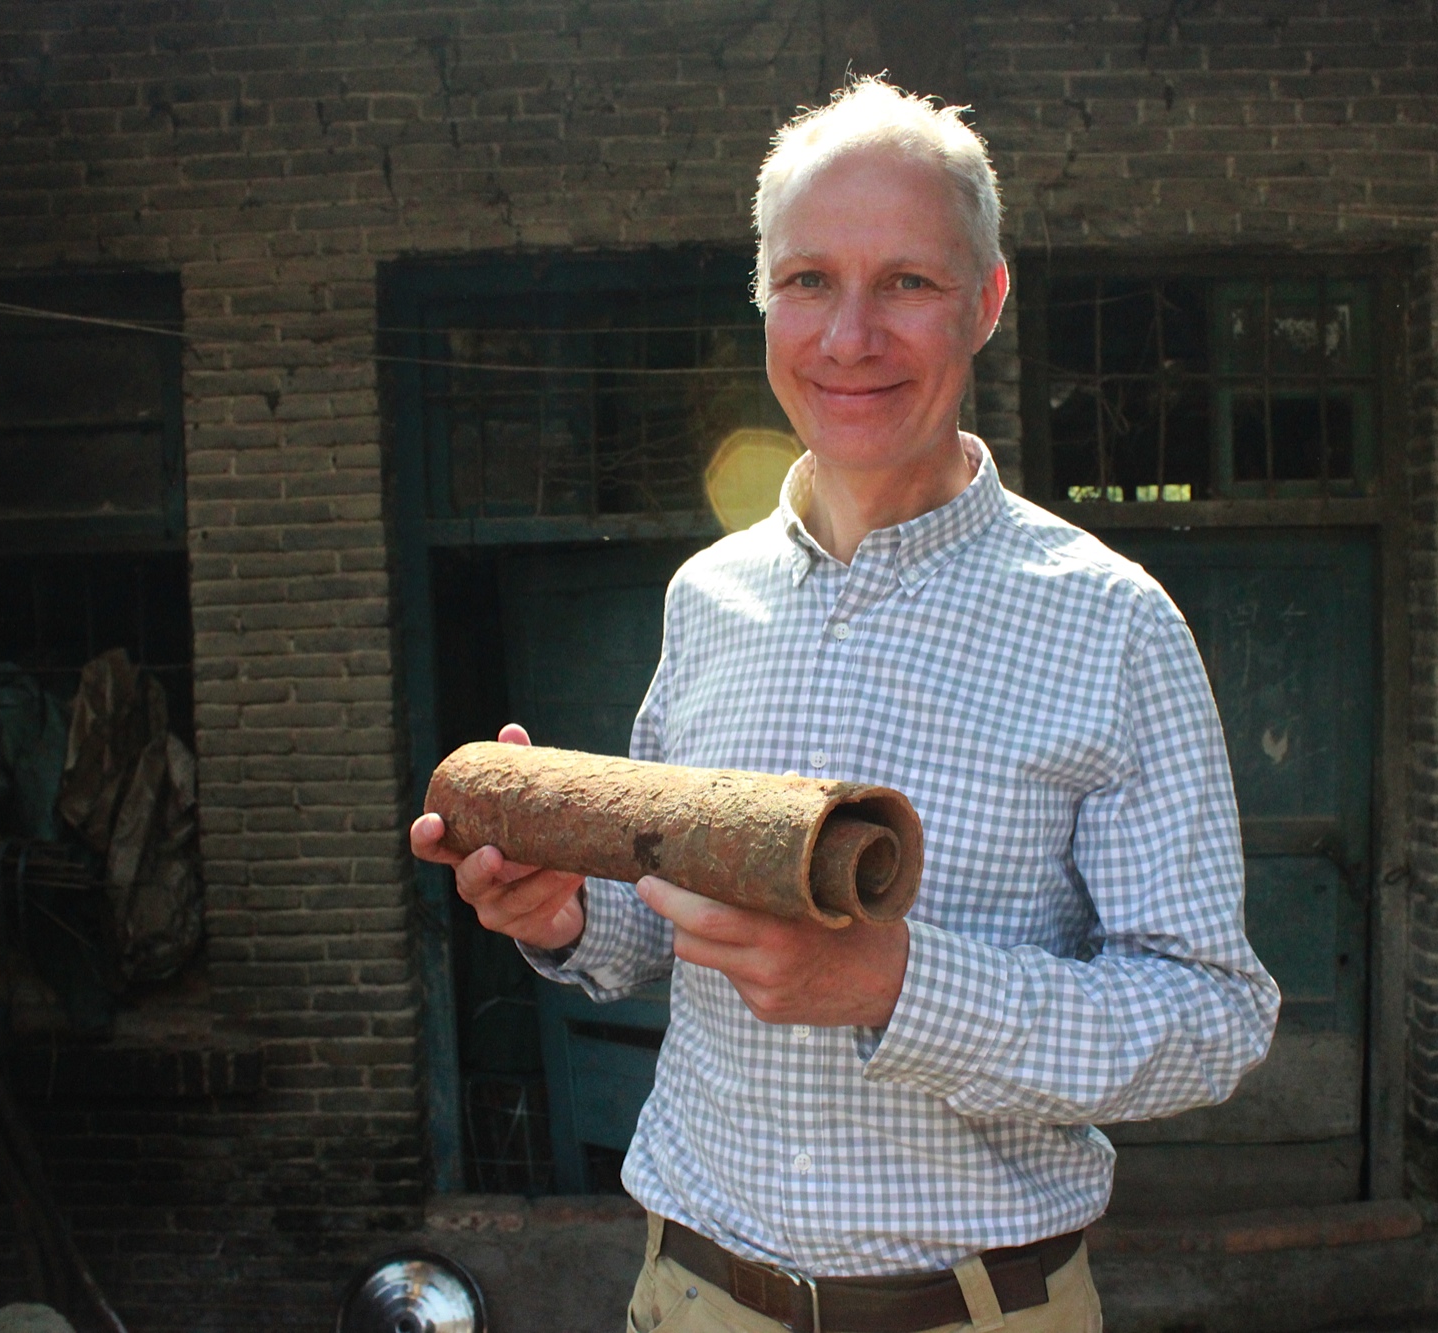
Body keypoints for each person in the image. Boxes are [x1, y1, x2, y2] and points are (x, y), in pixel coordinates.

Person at [410, 77, 1279, 1333]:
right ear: (763, 296)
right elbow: (651, 933)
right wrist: (558, 913)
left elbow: (1210, 1018)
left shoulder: (1110, 622)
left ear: (985, 303)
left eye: (907, 284)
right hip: (689, 1296)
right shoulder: (709, 596)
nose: (847, 337)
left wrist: (894, 984)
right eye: (809, 279)